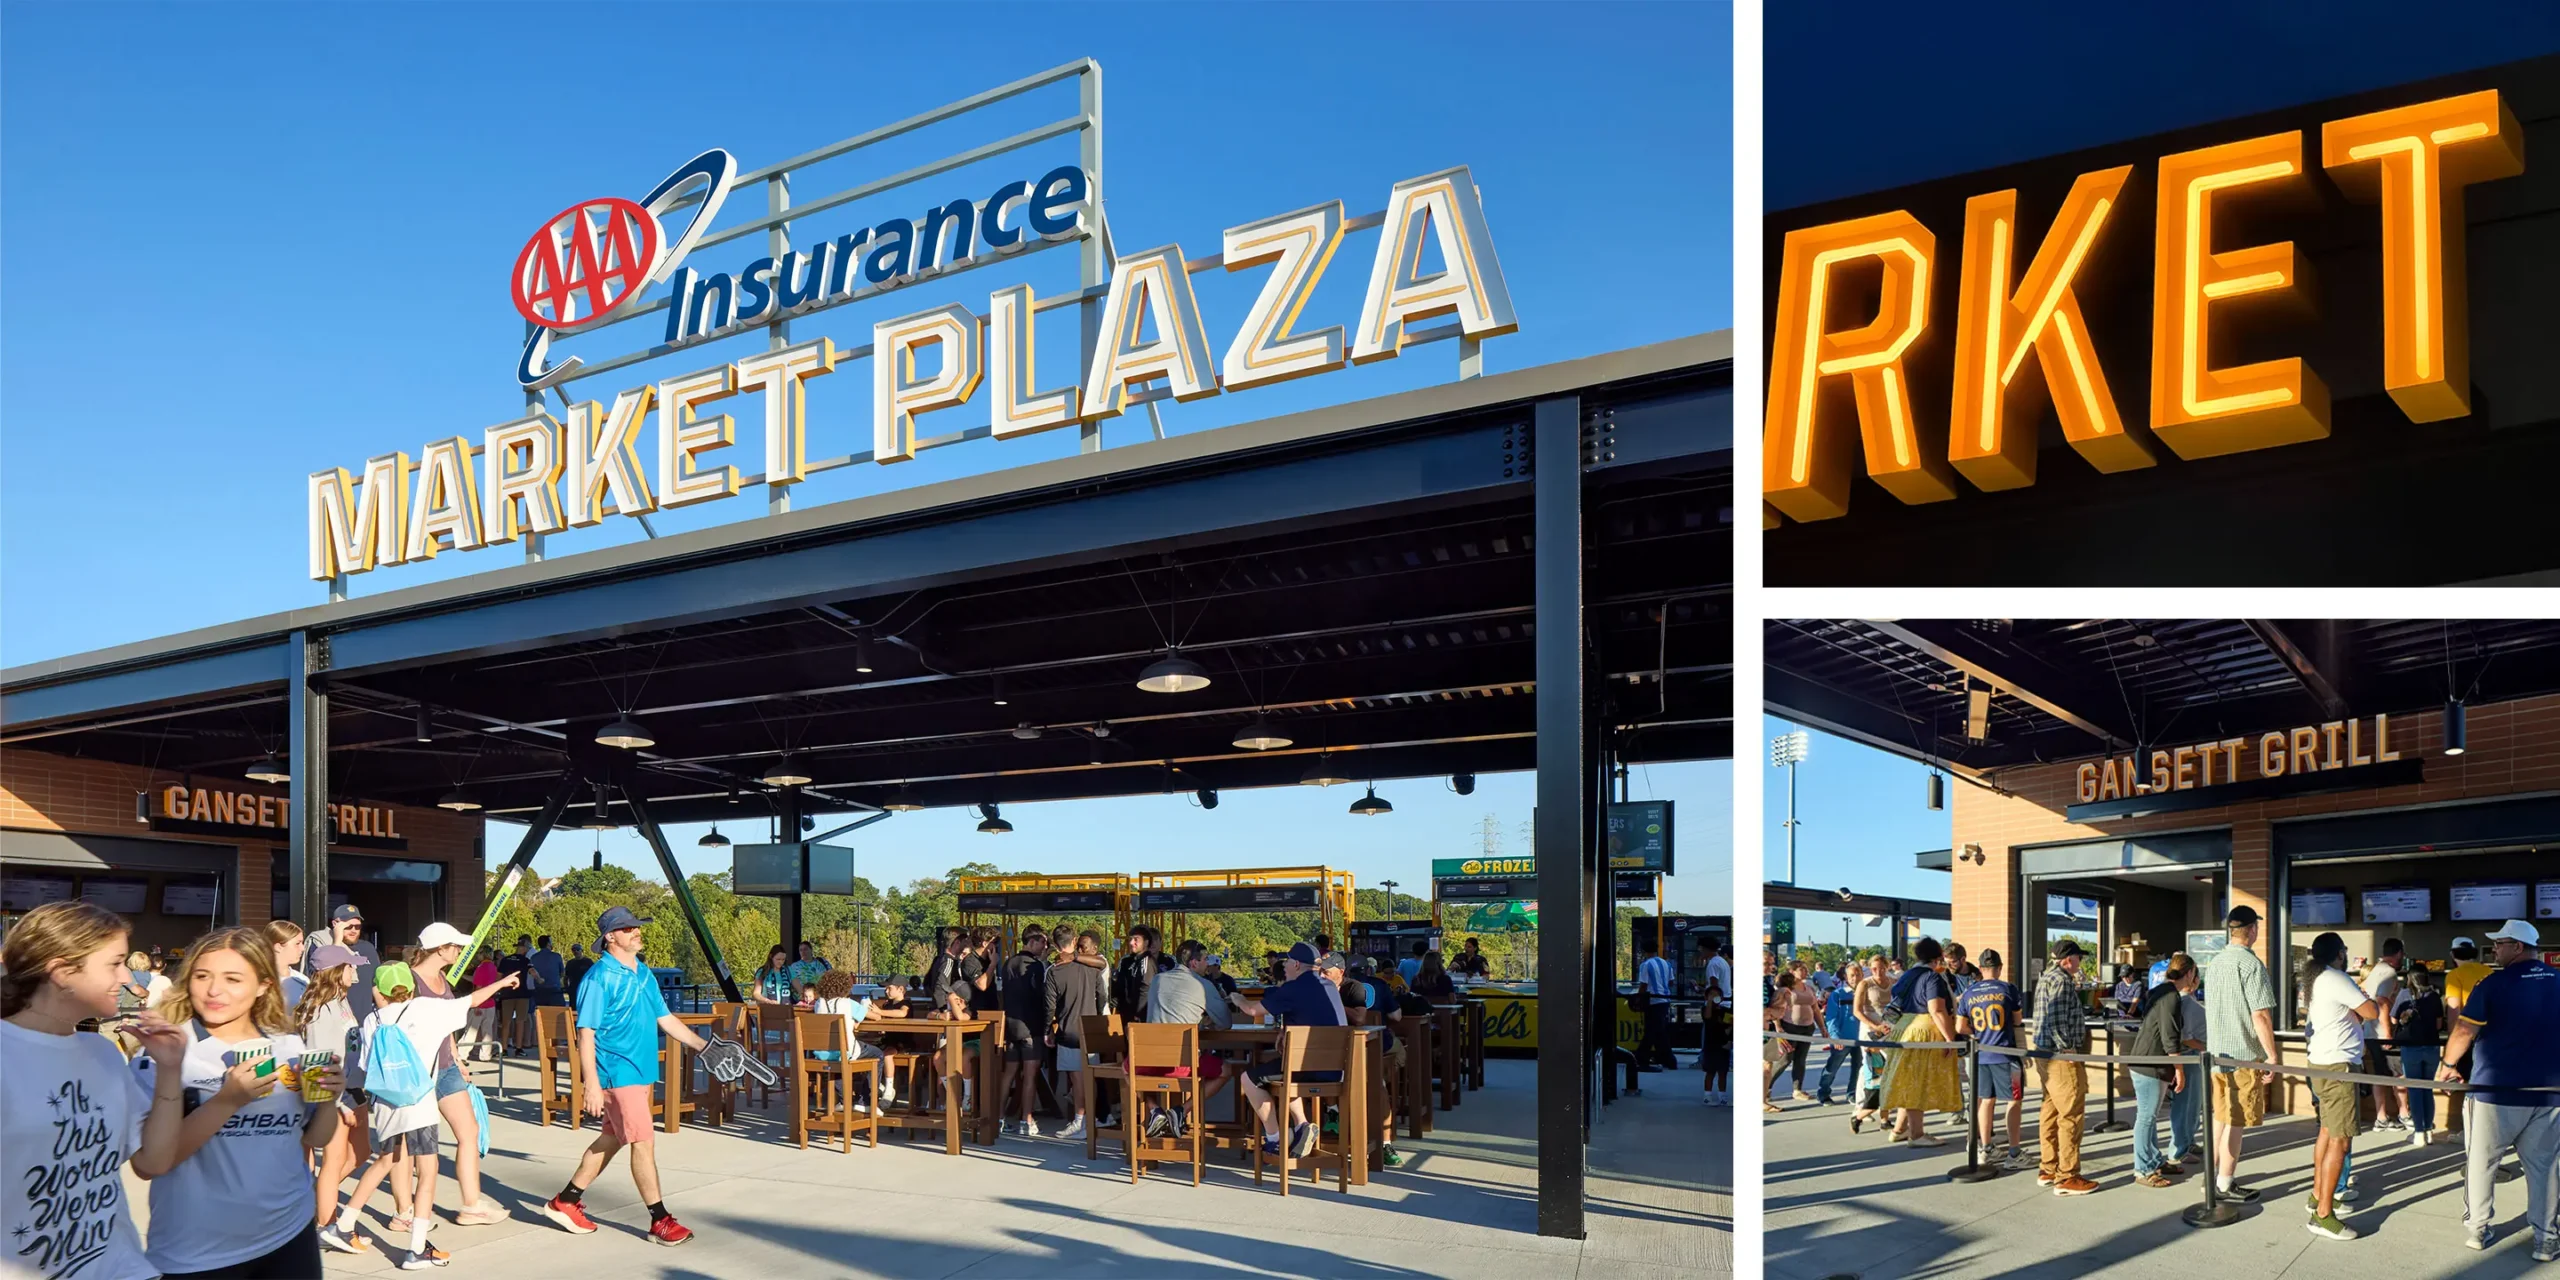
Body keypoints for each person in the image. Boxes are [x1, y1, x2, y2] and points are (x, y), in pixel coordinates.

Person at [137, 927, 345, 1277]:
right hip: (197, 1253)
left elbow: (316, 1139)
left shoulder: (289, 1046)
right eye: (202, 976)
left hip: (290, 1235)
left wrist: (328, 1100)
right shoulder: (167, 1050)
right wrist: (226, 1101)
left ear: (264, 985)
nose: (214, 990)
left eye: (233, 979)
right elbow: (148, 1164)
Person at [4, 899, 189, 1280]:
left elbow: (152, 1162)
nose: (126, 978)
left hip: (123, 1269)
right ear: (61, 972)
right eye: (114, 963)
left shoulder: (102, 1052)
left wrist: (170, 1068)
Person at [535, 907, 711, 1246]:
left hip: (643, 1071)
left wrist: (705, 1047)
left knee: (612, 1139)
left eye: (636, 927)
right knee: (643, 1141)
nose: (636, 932)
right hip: (617, 1073)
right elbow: (585, 1034)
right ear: (610, 937)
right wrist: (592, 1085)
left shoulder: (644, 973)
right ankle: (660, 1221)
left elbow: (666, 1019)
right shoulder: (598, 978)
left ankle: (566, 1201)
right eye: (628, 928)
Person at [332, 961, 514, 1267]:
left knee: (384, 1161)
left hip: (386, 1104)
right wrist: (501, 983)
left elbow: (365, 1064)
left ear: (378, 990)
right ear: (412, 986)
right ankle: (416, 1249)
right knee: (428, 1173)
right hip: (420, 1102)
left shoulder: (372, 1019)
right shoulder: (427, 1009)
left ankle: (345, 1224)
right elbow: (470, 1001)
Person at [2436, 919, 2557, 1259]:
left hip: (2494, 1094)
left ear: (2518, 947)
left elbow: (2463, 1031)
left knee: (2481, 1163)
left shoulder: (2493, 984)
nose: (2494, 950)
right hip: (2549, 1095)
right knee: (2545, 1169)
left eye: (2499, 944)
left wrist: (2447, 1067)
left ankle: (2477, 1229)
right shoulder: (2559, 981)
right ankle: (2546, 1238)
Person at [400, 924, 507, 1228]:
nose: (460, 951)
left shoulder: (442, 978)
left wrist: (457, 1056)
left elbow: (446, 1023)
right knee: (414, 1144)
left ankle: (471, 1204)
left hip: (446, 1067)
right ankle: (405, 1211)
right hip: (419, 1072)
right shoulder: (409, 980)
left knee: (469, 1131)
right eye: (456, 946)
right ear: (440, 948)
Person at [1231, 942, 1345, 1160]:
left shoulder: (1293, 989)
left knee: (1248, 1079)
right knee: (1286, 1069)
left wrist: (1237, 998)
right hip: (1335, 1069)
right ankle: (1302, 1126)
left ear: (1296, 964)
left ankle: (1275, 1139)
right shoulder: (1330, 986)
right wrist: (1285, 1029)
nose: (1283, 966)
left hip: (1307, 1068)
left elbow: (1252, 1010)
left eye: (1287, 962)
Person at [300, 944, 377, 1257]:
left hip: (353, 1088)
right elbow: (315, 1064)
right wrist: (336, 1105)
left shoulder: (340, 1002)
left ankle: (315, 1203)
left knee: (362, 1152)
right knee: (333, 1160)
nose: (356, 973)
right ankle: (327, 1226)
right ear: (335, 971)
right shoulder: (319, 1011)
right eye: (350, 967)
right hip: (333, 1095)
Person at [2302, 930, 2377, 1240]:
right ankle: (2323, 1216)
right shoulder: (2336, 978)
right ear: (2339, 954)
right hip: (2338, 1069)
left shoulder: (2317, 979)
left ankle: (2318, 1196)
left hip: (2321, 1064)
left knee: (2326, 1132)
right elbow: (2370, 1011)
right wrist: (2360, 1002)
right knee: (2340, 1141)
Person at [2204, 905, 2280, 1202]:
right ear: (2251, 930)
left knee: (2220, 1118)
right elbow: (2260, 1015)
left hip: (2216, 1055)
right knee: (2237, 1122)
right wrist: (2271, 1055)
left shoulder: (2216, 963)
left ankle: (2210, 1180)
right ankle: (2224, 1184)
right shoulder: (2251, 965)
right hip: (2242, 1056)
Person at [1137, 940, 1229, 1140]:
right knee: (1225, 1070)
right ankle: (1181, 1110)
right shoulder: (1204, 985)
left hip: (1149, 1061)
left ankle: (1155, 1111)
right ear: (1194, 963)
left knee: (1126, 1069)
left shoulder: (1158, 980)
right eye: (1205, 959)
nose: (1207, 963)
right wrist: (1205, 1022)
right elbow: (1225, 1022)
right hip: (1183, 1065)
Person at [1878, 939, 1962, 1148]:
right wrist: (1951, 1040)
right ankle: (1916, 1134)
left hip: (1903, 1028)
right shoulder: (1932, 977)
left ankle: (1900, 1129)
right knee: (1919, 1083)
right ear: (1938, 956)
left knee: (1909, 1080)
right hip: (1924, 1029)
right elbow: (1937, 1009)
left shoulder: (1906, 975)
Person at [2030, 938, 2096, 1194]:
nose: (2080, 962)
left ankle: (2048, 1167)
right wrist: (2068, 1047)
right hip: (2060, 1056)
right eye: (2079, 957)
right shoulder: (2062, 980)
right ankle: (2068, 1175)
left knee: (2050, 1109)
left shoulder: (2047, 977)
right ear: (2068, 959)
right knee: (2071, 1114)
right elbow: (2056, 1017)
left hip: (2044, 1054)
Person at [2128, 954, 2199, 1188]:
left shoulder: (2159, 991)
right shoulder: (2170, 996)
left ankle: (2154, 1160)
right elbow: (2170, 1037)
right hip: (2150, 1064)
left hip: (2148, 1062)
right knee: (2146, 1117)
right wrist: (2179, 1070)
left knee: (2150, 1115)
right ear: (2188, 974)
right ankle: (2143, 1169)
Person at [1960, 950, 2025, 1167]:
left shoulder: (1969, 993)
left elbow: (1960, 1026)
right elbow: (2017, 1021)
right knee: (2014, 1099)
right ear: (2000, 967)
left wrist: (1977, 1033)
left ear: (1980, 969)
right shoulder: (2008, 989)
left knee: (1986, 1100)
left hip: (1980, 1054)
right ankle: (2014, 1153)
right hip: (2007, 1053)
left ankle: (1986, 1147)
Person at [1045, 930, 1109, 1141]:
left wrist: (1048, 1029)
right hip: (1091, 1029)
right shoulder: (1093, 968)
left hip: (1069, 1029)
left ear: (1055, 945)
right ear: (1074, 942)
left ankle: (1080, 1120)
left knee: (1076, 1077)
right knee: (1090, 1077)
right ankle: (1091, 1117)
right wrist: (1097, 1014)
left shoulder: (1055, 971)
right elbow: (1102, 996)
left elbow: (1050, 1006)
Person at [807, 970, 890, 1111]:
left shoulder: (818, 1003)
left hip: (823, 1053)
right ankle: (866, 1101)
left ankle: (844, 1100)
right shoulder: (847, 1003)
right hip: (845, 1051)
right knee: (877, 1054)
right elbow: (876, 1017)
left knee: (838, 1061)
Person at [997, 927, 1051, 1137]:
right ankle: (1026, 1120)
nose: (1045, 948)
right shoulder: (1035, 966)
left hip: (1010, 1024)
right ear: (1033, 941)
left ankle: (1000, 1117)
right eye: (1043, 943)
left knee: (1008, 1074)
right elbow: (1041, 995)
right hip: (1030, 1025)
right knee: (1030, 1075)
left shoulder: (1008, 963)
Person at [2396, 968, 2448, 1150]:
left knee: (2415, 1090)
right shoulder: (2435, 997)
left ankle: (2418, 1133)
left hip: (2411, 1047)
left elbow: (2394, 1019)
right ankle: (2428, 1131)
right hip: (2432, 1046)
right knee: (2427, 1088)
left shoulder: (2404, 994)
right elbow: (2439, 1024)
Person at [2361, 938, 2409, 1133]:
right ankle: (2405, 1114)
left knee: (2379, 1074)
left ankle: (2381, 1118)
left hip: (2369, 1033)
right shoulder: (2389, 974)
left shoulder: (2374, 971)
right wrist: (2388, 1033)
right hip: (2381, 1034)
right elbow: (2382, 1002)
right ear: (2399, 954)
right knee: (2399, 1074)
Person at [1849, 955, 1893, 1133]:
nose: (1878, 972)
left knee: (1890, 1070)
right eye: (1874, 969)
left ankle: (1885, 1118)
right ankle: (1860, 1109)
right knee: (1872, 1070)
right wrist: (1875, 1026)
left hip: (1890, 1030)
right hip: (1870, 1031)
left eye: (1881, 968)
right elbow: (1857, 1011)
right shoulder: (1865, 984)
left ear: (1887, 967)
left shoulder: (1894, 982)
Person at [1815, 962, 1861, 1106]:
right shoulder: (1838, 994)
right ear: (1846, 976)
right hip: (1842, 1038)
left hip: (1862, 1038)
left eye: (1858, 974)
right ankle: (1823, 1093)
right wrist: (1835, 1037)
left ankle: (1852, 1093)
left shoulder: (1866, 992)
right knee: (1833, 1067)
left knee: (1858, 1068)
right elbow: (1831, 1018)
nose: (1855, 978)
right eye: (1852, 975)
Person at [326, 906, 381, 1022]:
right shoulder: (326, 946)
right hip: (338, 1021)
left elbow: (375, 986)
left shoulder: (368, 948)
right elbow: (328, 978)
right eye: (348, 926)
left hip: (365, 1021)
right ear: (335, 924)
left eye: (357, 926)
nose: (353, 930)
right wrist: (337, 940)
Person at [1634, 937, 1678, 1072]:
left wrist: (1638, 999)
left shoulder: (1646, 965)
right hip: (1665, 1000)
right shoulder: (1667, 964)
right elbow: (1671, 982)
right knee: (1659, 1031)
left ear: (1644, 951)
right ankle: (1668, 1060)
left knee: (1651, 1031)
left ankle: (1641, 1058)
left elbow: (1643, 985)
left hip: (1653, 1001)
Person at [1760, 971, 1799, 1114]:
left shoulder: (1769, 984)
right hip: (1764, 1024)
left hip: (1769, 1025)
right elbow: (1788, 1004)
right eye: (1767, 964)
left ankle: (1763, 1100)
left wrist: (1777, 1026)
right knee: (1764, 1066)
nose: (1770, 967)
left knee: (1767, 1065)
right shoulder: (1785, 991)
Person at [1113, 925, 1166, 1024]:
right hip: (1126, 1015)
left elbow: (1145, 988)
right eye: (1131, 939)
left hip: (1141, 1018)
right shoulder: (1127, 961)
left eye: (1136, 939)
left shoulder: (1147, 961)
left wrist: (1138, 1014)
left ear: (1146, 942)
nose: (1131, 943)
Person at [1702, 941, 1734, 1104]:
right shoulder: (1723, 962)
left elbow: (1714, 982)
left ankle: (1714, 1094)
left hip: (1718, 1006)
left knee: (1716, 1068)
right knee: (1718, 1069)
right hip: (1725, 1005)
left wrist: (1712, 998)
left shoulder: (1712, 964)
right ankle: (1717, 1095)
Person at [265, 919, 310, 1009]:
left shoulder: (302, 980)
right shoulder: (258, 980)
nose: (302, 948)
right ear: (278, 947)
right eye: (297, 943)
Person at [118, 949, 164, 1015]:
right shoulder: (148, 973)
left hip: (134, 994)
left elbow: (133, 987)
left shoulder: (132, 973)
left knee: (125, 1003)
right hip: (144, 993)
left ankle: (125, 1017)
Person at [530, 935, 566, 1011]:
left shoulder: (533, 957)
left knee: (541, 1017)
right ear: (548, 944)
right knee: (558, 1015)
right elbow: (562, 973)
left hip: (539, 991)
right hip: (554, 991)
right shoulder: (556, 956)